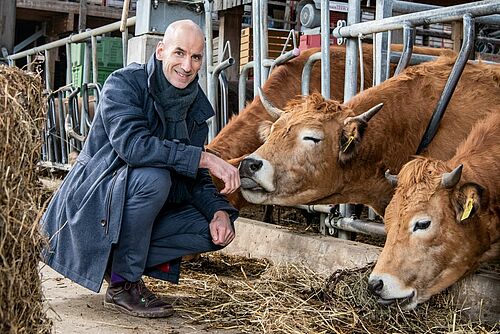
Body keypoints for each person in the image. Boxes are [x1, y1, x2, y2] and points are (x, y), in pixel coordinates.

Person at [41, 19, 240, 318]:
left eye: (196, 57)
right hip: (95, 200)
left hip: (134, 207)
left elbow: (193, 174)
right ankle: (123, 285)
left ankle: (115, 265)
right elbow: (134, 146)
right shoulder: (124, 83)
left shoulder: (196, 105)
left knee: (208, 230)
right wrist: (207, 157)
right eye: (179, 53)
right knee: (155, 179)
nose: (187, 65)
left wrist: (218, 211)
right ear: (160, 51)